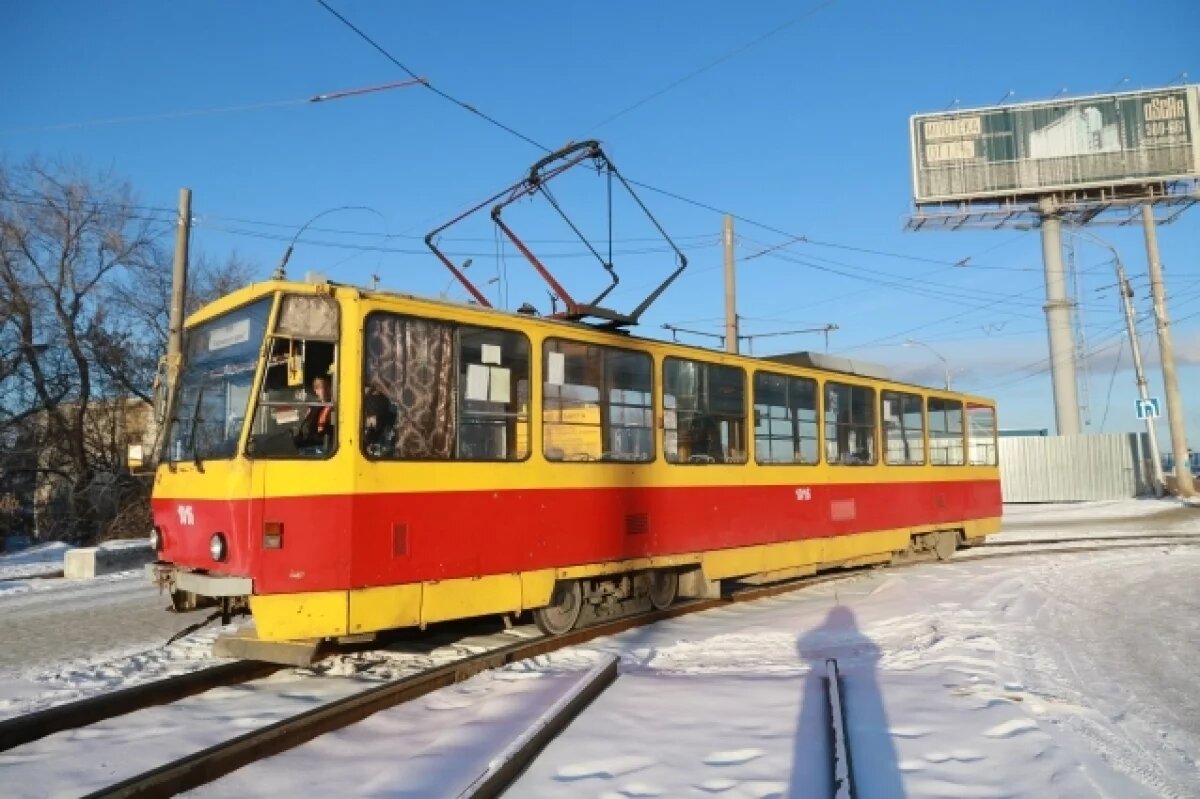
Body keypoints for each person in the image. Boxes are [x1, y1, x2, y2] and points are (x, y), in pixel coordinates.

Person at [295, 376, 335, 452]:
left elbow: (324, 429)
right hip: (311, 441)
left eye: (327, 387)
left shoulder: (333, 406)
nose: (325, 391)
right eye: (320, 388)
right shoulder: (314, 406)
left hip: (323, 444)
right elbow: (306, 424)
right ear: (315, 390)